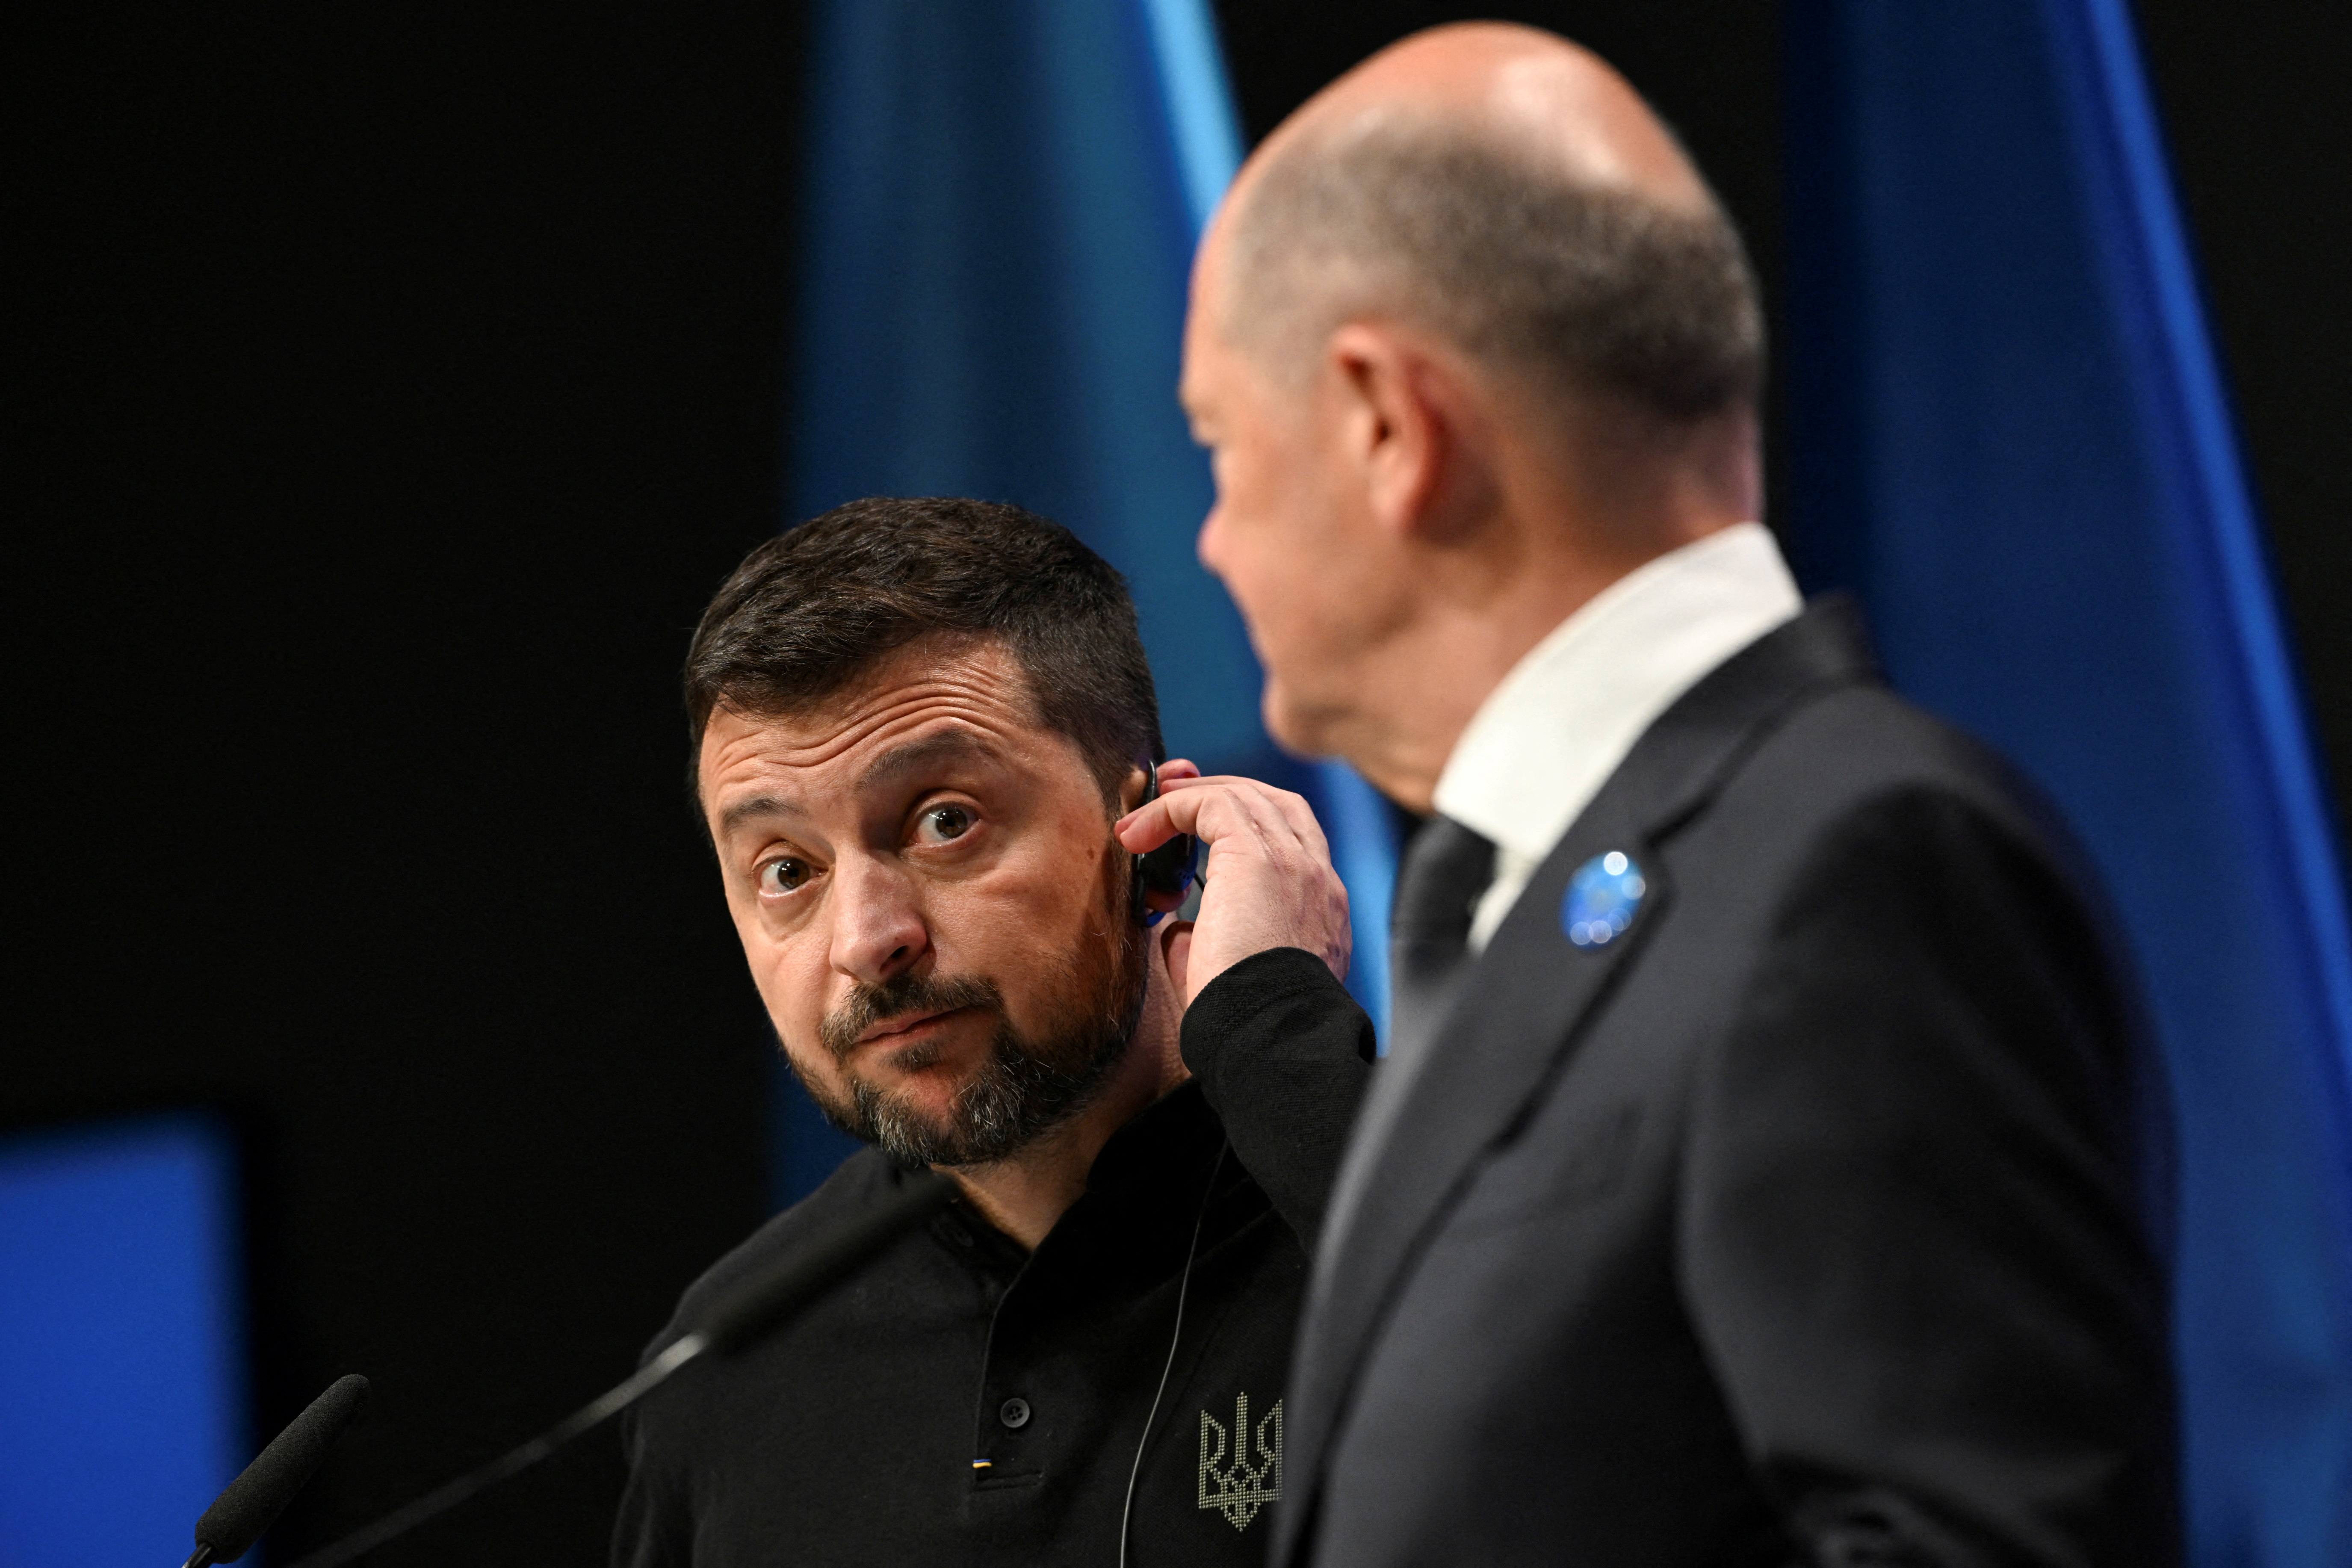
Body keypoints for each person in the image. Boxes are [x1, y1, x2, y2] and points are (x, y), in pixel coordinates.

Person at [1142, 21, 2183, 1566]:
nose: (1211, 538)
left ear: (1387, 427)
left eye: (1222, 445)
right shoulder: (1568, 892)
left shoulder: (1860, 866)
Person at [612, 496, 1378, 1566]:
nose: (866, 940)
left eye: (945, 821)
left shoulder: (1401, 1208)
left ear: (1155, 843)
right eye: (786, 871)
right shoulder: (725, 1368)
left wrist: (1273, 1029)